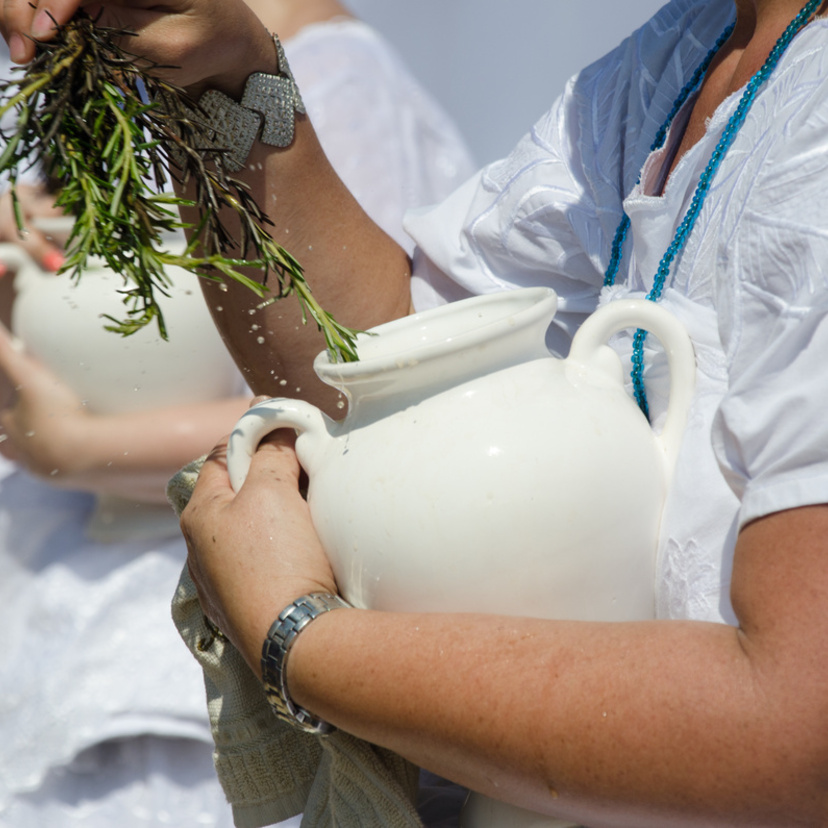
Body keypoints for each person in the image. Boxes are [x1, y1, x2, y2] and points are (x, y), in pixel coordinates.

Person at [5, 0, 828, 826]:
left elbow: (798, 726)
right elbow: (389, 370)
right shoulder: (673, 59)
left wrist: (295, 635)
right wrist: (225, 78)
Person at [0, 3, 474, 826]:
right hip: (62, 597)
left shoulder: (331, 81)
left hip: (200, 639)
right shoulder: (111, 74)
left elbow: (359, 389)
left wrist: (80, 448)